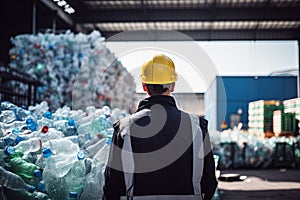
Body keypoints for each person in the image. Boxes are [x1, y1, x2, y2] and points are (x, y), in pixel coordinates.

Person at [103, 54, 217, 200]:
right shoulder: (197, 126)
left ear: (144, 86)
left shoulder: (124, 128)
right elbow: (210, 181)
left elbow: (111, 185)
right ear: (173, 85)